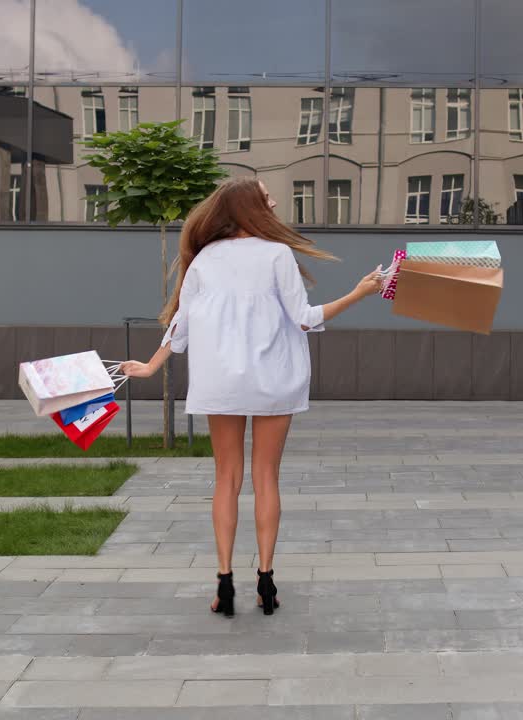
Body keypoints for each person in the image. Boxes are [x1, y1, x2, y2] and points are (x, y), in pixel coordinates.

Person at [120, 177, 383, 617]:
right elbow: (304, 319)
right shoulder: (278, 254)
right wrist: (360, 292)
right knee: (266, 478)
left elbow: (181, 323)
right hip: (273, 379)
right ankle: (265, 581)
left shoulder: (204, 258)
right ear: (250, 207)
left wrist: (149, 366)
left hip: (219, 381)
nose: (274, 201)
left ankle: (224, 583)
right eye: (267, 196)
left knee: (227, 478)